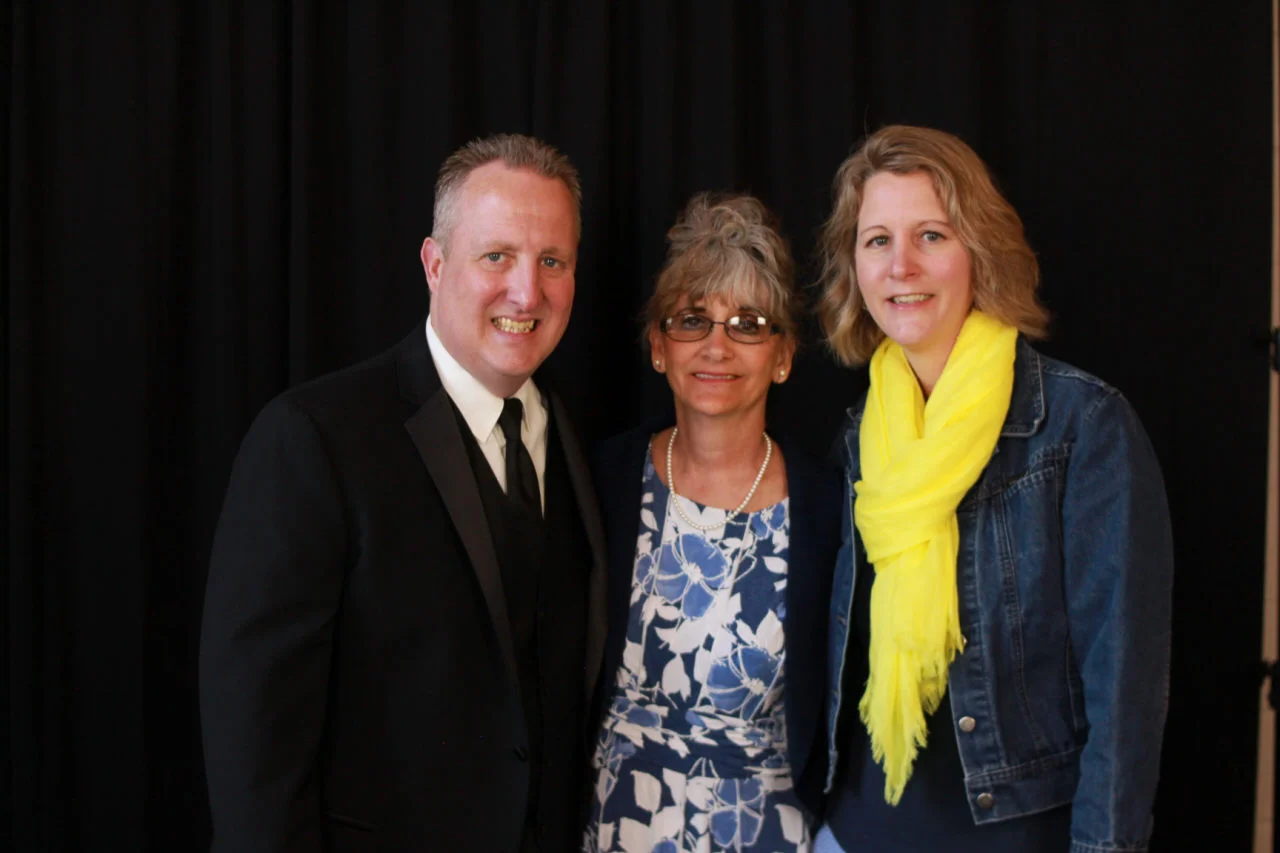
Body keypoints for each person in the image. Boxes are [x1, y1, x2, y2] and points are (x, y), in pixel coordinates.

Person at [200, 133, 607, 852]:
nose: (527, 291)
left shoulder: (580, 437)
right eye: (497, 256)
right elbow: (254, 737)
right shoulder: (313, 438)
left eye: (553, 261)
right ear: (434, 263)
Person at [812, 124, 1174, 853]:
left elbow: (1125, 688)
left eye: (931, 235)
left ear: (979, 249)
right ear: (854, 266)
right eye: (877, 240)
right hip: (853, 834)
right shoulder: (859, 437)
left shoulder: (1080, 426)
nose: (901, 264)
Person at [583, 194, 841, 853]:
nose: (717, 347)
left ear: (783, 355)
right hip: (616, 826)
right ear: (658, 346)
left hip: (765, 832)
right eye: (693, 320)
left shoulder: (831, 509)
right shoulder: (599, 480)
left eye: (748, 324)